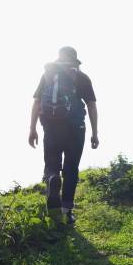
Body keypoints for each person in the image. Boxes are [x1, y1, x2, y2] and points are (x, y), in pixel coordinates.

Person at [28, 46, 99, 224]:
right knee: (71, 168)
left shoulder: (48, 75)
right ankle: (67, 211)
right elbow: (91, 105)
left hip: (51, 127)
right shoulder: (82, 77)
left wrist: (32, 129)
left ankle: (53, 179)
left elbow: (37, 102)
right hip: (75, 128)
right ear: (75, 61)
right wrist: (95, 133)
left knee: (52, 164)